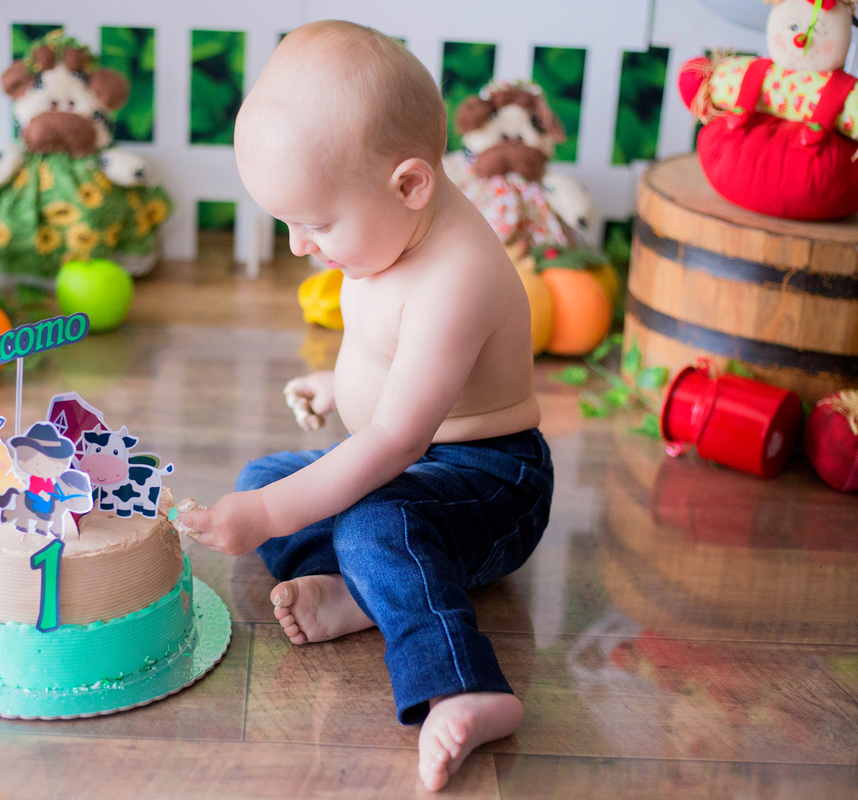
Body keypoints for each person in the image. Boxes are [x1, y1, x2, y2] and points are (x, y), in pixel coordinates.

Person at [176, 20, 553, 792]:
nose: (298, 247)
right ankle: (359, 590)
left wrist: (267, 519)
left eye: (314, 224)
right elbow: (388, 362)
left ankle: (464, 686)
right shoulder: (388, 228)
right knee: (265, 473)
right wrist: (333, 386)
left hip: (491, 482)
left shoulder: (459, 278)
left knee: (371, 518)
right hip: (415, 456)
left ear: (410, 183)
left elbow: (393, 442)